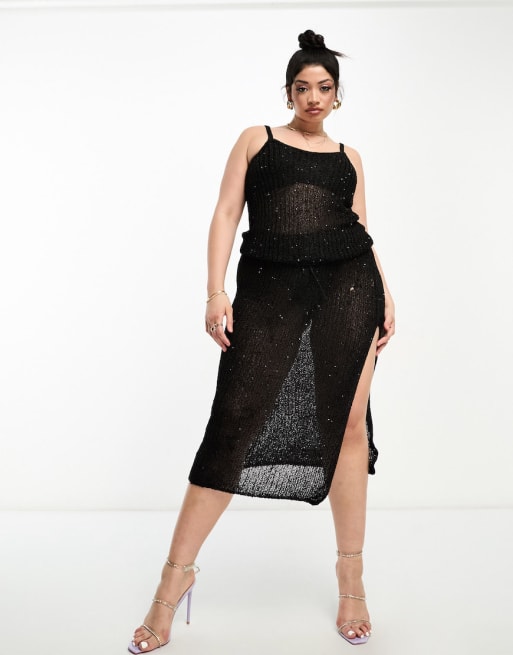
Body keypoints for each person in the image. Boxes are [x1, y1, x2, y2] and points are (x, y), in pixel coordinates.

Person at [128, 29, 395, 652]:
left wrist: (385, 293)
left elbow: (361, 230)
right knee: (234, 425)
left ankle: (350, 577)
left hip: (349, 291)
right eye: (302, 87)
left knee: (349, 427)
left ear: (337, 94)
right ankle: (174, 579)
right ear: (287, 92)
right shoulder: (258, 140)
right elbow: (227, 212)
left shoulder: (349, 157)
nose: (313, 97)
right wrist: (215, 291)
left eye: (324, 87)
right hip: (269, 292)